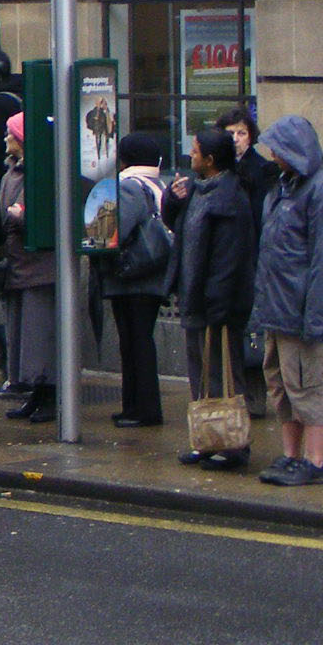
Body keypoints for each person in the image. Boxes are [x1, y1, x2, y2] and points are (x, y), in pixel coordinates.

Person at [250, 115, 323, 486]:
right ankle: (291, 455)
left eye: (277, 149)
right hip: (278, 311)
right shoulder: (282, 189)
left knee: (309, 387)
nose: (273, 155)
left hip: (303, 312)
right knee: (281, 386)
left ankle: (316, 461)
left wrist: (318, 318)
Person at [164, 126, 255, 468]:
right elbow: (180, 227)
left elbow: (229, 258)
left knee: (223, 373)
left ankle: (233, 445)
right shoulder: (199, 191)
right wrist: (172, 200)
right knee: (199, 373)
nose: (191, 154)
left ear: (211, 160)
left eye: (197, 150)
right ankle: (206, 438)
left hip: (218, 304)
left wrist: (218, 304)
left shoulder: (230, 197)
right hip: (195, 298)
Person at [104, 131, 172, 428]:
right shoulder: (158, 184)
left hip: (133, 278)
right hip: (152, 276)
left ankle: (141, 408)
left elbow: (113, 229)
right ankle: (134, 406)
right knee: (138, 341)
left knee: (135, 343)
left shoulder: (130, 187)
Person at [217, 103, 276, 415]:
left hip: (252, 258)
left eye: (242, 133)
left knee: (252, 331)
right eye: (231, 133)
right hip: (227, 261)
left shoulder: (262, 170)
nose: (237, 139)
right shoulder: (216, 168)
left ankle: (254, 397)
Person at [0, 111, 55, 423]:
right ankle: (36, 391)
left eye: (11, 134)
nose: (6, 139)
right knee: (26, 335)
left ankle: (49, 391)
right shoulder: (12, 173)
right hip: (20, 264)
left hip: (39, 267)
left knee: (41, 334)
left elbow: (35, 215)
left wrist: (18, 215)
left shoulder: (38, 173)